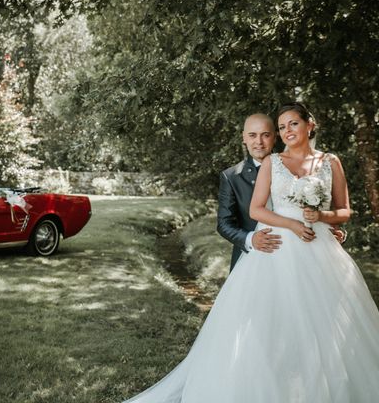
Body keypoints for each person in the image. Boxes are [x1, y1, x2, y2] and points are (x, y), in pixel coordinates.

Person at [124, 102, 379, 403]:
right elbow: (230, 221)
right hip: (267, 256)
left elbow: (340, 209)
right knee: (260, 333)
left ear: (306, 126)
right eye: (256, 134)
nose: (265, 139)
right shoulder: (237, 174)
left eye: (276, 131)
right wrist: (253, 239)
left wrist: (324, 221)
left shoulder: (326, 161)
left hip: (318, 251)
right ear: (244, 138)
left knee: (321, 323)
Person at [217, 114, 282, 270]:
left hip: (293, 254)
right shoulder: (231, 176)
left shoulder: (294, 169)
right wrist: (251, 239)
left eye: (265, 135)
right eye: (252, 135)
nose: (259, 142)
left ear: (274, 137)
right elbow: (224, 224)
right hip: (251, 259)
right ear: (244, 138)